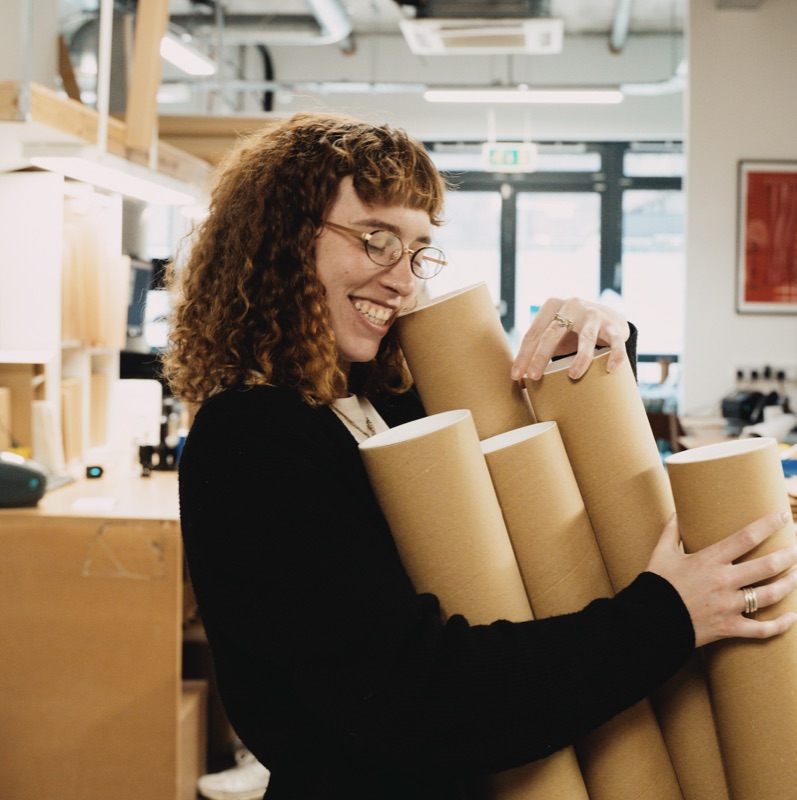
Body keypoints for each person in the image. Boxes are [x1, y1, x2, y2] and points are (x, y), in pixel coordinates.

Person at [163, 111, 797, 800]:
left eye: (417, 251)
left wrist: (598, 351)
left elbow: (554, 500)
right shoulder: (251, 442)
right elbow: (418, 698)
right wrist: (666, 616)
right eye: (377, 240)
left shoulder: (387, 403)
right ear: (283, 240)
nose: (402, 280)